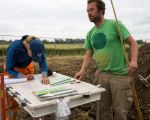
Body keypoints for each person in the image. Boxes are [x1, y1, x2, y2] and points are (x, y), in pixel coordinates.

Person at [75, 0, 138, 120]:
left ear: (101, 10)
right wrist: (82, 70)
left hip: (119, 76)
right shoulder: (90, 33)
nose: (89, 13)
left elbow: (133, 43)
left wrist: (134, 60)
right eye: (87, 11)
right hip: (102, 75)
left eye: (91, 9)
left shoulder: (115, 25)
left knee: (120, 111)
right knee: (103, 111)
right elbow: (88, 55)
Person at [4, 35, 49, 120]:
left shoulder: (38, 45)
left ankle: (38, 115)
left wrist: (44, 75)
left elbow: (42, 60)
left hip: (27, 67)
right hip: (13, 69)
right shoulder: (15, 48)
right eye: (33, 55)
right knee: (11, 98)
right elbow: (9, 68)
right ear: (28, 48)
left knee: (34, 93)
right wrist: (23, 77)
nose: (34, 57)